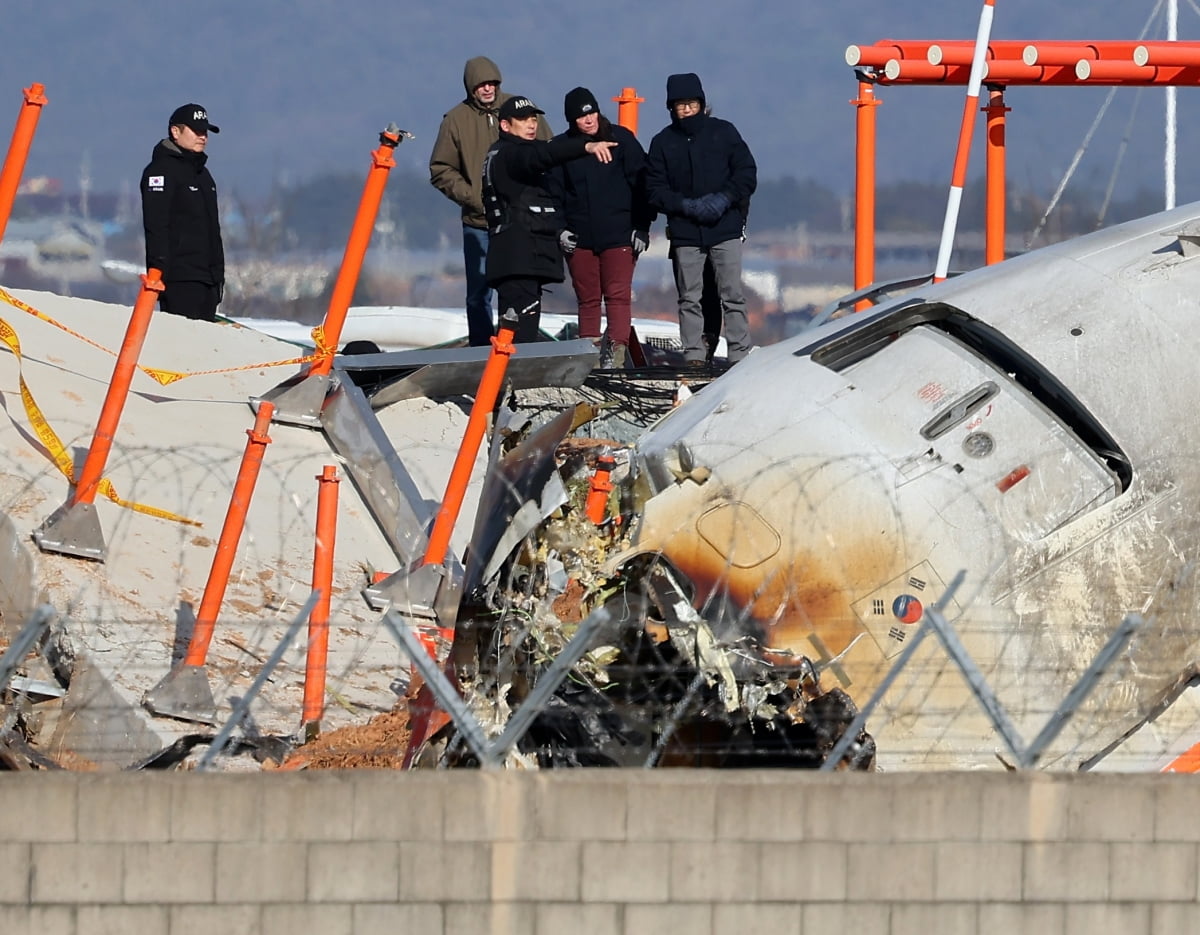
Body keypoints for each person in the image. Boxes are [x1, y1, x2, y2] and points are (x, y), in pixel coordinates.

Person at [429, 56, 551, 346]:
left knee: (522, 287)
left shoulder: (521, 109)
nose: (487, 89)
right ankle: (481, 350)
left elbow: (548, 153)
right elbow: (440, 169)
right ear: (471, 87)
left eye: (492, 83)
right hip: (479, 222)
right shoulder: (454, 121)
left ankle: (520, 345)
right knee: (479, 292)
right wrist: (475, 199)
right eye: (481, 84)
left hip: (521, 221)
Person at [482, 95, 619, 344]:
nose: (531, 124)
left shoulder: (502, 153)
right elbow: (542, 155)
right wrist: (585, 146)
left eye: (533, 119)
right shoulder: (511, 155)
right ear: (505, 125)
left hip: (518, 258)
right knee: (519, 337)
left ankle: (508, 377)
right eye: (523, 120)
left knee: (513, 331)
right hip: (518, 259)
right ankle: (512, 379)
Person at [645, 73, 757, 366]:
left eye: (691, 103)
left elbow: (745, 174)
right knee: (689, 297)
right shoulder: (662, 142)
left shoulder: (725, 132)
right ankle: (694, 355)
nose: (686, 110)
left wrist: (724, 199)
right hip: (685, 231)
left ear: (702, 103)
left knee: (732, 294)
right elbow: (654, 189)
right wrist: (684, 205)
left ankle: (739, 354)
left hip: (725, 228)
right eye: (680, 105)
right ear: (671, 107)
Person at [551, 87, 656, 370]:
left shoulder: (621, 140)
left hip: (620, 234)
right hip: (579, 238)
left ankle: (617, 356)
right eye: (581, 116)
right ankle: (589, 357)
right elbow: (554, 193)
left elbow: (643, 184)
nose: (588, 120)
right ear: (571, 120)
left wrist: (642, 227)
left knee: (618, 297)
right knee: (587, 300)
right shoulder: (563, 148)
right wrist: (560, 229)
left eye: (591, 112)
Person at [140, 103, 224, 322]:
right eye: (196, 131)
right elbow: (156, 226)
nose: (202, 137)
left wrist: (218, 277)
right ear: (175, 132)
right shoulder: (160, 172)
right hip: (179, 279)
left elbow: (213, 230)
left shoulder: (204, 175)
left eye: (205, 132)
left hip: (208, 280)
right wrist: (158, 275)